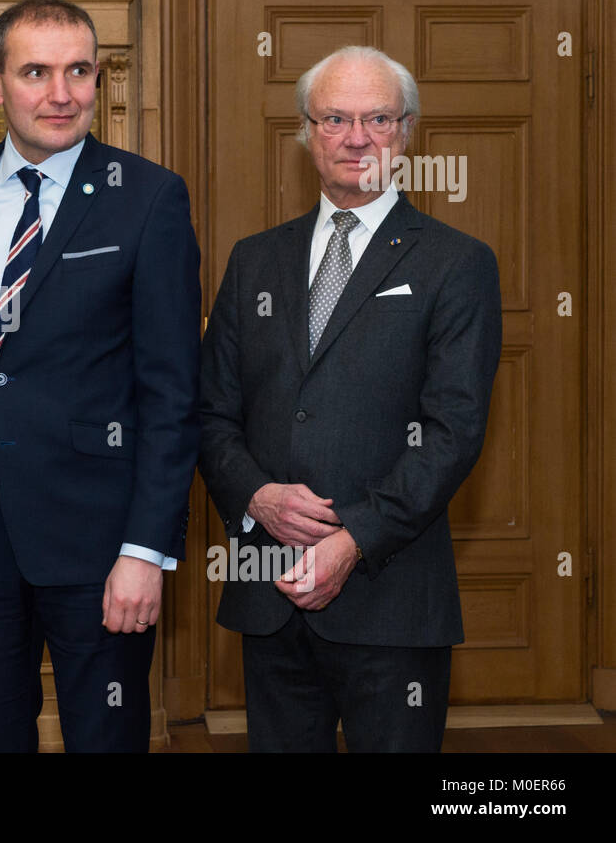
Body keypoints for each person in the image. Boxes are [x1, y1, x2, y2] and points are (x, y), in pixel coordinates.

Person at [0, 0, 201, 752]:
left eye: (78, 71)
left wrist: (146, 551)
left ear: (99, 78)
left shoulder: (148, 198)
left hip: (99, 542)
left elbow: (172, 392)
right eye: (35, 72)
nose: (61, 93)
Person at [198, 45, 502, 752]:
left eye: (378, 119)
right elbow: (213, 413)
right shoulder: (254, 261)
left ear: (407, 130)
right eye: (334, 118)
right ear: (307, 131)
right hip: (269, 588)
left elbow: (453, 430)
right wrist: (256, 497)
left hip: (392, 597)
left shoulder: (456, 263)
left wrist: (353, 539)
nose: (356, 137)